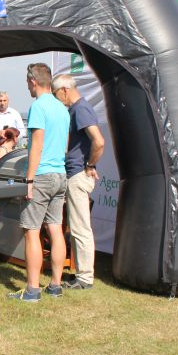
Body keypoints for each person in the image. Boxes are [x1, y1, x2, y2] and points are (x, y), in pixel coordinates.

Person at [9, 62, 70, 302]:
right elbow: (64, 144)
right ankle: (55, 286)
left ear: (33, 81)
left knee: (31, 232)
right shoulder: (62, 108)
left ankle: (32, 290)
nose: (27, 87)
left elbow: (36, 145)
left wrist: (29, 180)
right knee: (55, 229)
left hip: (42, 175)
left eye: (27, 83)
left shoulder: (38, 107)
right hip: (60, 174)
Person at [52, 74, 105, 290]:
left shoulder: (80, 109)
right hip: (75, 172)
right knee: (75, 226)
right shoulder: (76, 109)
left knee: (80, 227)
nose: (56, 99)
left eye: (55, 94)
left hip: (78, 174)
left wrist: (90, 165)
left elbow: (99, 141)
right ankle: (81, 273)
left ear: (64, 90)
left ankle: (85, 277)